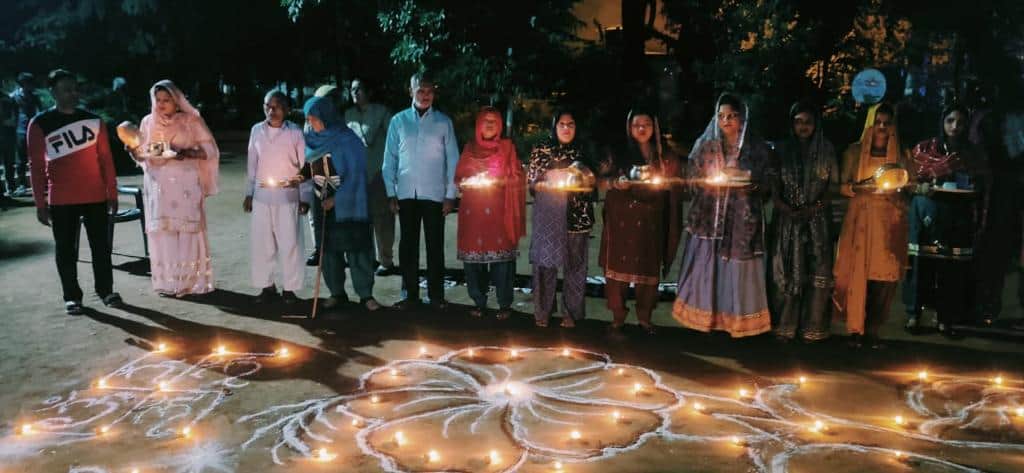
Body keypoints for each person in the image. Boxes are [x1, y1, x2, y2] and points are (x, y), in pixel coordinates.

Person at [672, 93, 776, 338]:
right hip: (710, 218)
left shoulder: (756, 148)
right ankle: (705, 319)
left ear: (743, 118)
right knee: (707, 265)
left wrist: (750, 183)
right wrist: (706, 183)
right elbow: (692, 177)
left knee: (738, 269)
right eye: (721, 116)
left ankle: (737, 322)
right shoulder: (706, 145)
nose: (726, 121)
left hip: (741, 220)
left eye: (732, 116)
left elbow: (768, 180)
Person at [27, 69, 122, 314]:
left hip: (95, 196)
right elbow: (36, 168)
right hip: (61, 199)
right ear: (53, 92)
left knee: (101, 247)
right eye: (66, 89)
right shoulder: (39, 124)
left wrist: (112, 193)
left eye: (75, 88)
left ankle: (106, 291)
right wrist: (40, 204)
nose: (73, 94)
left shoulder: (94, 120)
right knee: (66, 251)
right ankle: (72, 296)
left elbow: (106, 160)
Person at [128, 80, 219, 297]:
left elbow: (210, 150)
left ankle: (191, 282)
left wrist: (186, 153)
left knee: (188, 230)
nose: (161, 104)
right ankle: (168, 283)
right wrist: (133, 151)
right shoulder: (148, 122)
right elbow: (143, 155)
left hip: (186, 184)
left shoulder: (191, 121)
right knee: (164, 231)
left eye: (166, 100)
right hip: (159, 186)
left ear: (177, 101)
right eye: (158, 100)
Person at [903, 104, 988, 337]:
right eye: (950, 120)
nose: (955, 126)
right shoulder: (925, 149)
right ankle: (914, 315)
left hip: (957, 213)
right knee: (921, 266)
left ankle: (945, 318)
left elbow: (981, 184)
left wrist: (973, 190)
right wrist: (919, 187)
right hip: (926, 211)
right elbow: (907, 179)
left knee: (951, 270)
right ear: (942, 122)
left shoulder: (972, 153)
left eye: (960, 122)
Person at [597, 108, 682, 335]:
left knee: (648, 268)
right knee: (617, 269)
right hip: (621, 220)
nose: (642, 129)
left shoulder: (664, 155)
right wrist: (615, 183)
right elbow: (601, 181)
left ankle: (645, 317)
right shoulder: (618, 153)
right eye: (636, 125)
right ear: (629, 128)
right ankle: (618, 316)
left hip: (650, 221)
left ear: (655, 128)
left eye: (647, 124)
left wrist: (667, 184)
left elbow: (676, 183)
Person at [833, 103, 909, 349]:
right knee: (858, 275)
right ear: (869, 124)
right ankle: (856, 329)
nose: (882, 127)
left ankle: (874, 331)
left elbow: (909, 184)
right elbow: (842, 186)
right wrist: (860, 187)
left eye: (887, 123)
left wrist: (900, 192)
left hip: (889, 224)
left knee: (884, 278)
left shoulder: (901, 155)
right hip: (861, 222)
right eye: (878, 122)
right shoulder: (854, 152)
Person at [382, 71, 459, 310]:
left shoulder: (443, 122)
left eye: (429, 91)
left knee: (435, 246)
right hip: (406, 193)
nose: (425, 95)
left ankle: (436, 296)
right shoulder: (399, 121)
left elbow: (453, 160)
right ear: (411, 91)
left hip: (435, 194)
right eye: (420, 91)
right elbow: (389, 159)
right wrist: (391, 192)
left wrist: (451, 195)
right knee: (408, 246)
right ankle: (410, 295)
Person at [769, 101, 839, 343]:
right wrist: (785, 208)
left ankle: (813, 328)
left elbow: (833, 186)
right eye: (798, 122)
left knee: (817, 273)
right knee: (786, 272)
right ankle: (784, 327)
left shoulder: (826, 149)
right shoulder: (781, 149)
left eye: (808, 122)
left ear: (816, 124)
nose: (803, 126)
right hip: (786, 221)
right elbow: (773, 186)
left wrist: (814, 207)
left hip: (817, 221)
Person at [305, 96, 381, 311]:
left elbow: (357, 175)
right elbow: (308, 168)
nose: (311, 124)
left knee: (357, 249)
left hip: (350, 204)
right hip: (322, 203)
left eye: (314, 119)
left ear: (326, 117)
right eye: (308, 120)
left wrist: (337, 198)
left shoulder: (348, 140)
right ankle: (336, 292)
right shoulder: (310, 140)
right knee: (328, 251)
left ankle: (366, 294)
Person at [454, 106, 526, 320]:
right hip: (473, 213)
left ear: (500, 125)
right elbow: (459, 177)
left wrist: (503, 180)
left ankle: (504, 304)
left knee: (502, 261)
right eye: (485, 120)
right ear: (478, 124)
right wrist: (469, 181)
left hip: (499, 213)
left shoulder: (507, 148)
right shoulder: (469, 148)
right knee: (473, 261)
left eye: (494, 120)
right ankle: (479, 301)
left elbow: (518, 176)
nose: (489, 124)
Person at [527, 110, 596, 328]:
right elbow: (532, 183)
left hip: (577, 215)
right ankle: (543, 310)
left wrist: (582, 178)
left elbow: (592, 182)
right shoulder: (542, 149)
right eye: (562, 124)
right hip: (548, 215)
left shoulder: (583, 151)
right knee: (545, 264)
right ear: (554, 126)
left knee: (575, 265)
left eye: (571, 124)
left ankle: (571, 313)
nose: (566, 128)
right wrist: (548, 181)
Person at [244, 91, 311, 305]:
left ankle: (290, 289)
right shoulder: (257, 130)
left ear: (286, 109)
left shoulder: (295, 133)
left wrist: (305, 196)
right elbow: (252, 164)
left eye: (277, 106)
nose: (271, 111)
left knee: (290, 243)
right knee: (262, 243)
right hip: (262, 196)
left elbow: (305, 166)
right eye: (268, 106)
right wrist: (249, 193)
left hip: (287, 197)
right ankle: (267, 286)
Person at [345, 78, 397, 276]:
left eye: (359, 89)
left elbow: (395, 140)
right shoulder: (348, 115)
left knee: (383, 220)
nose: (355, 92)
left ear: (369, 91)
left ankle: (386, 260)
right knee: (362, 221)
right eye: (352, 89)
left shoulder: (382, 112)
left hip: (379, 173)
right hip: (357, 176)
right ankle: (369, 258)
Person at [10, 72, 40, 197]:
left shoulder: (34, 96)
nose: (32, 86)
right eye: (29, 83)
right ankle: (22, 184)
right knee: (21, 160)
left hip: (33, 129)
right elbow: (11, 113)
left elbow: (40, 111)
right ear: (23, 84)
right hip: (20, 130)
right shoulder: (14, 96)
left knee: (36, 157)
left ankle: (39, 181)